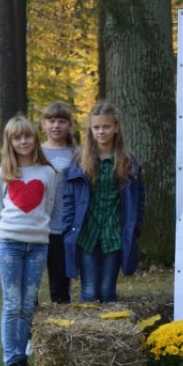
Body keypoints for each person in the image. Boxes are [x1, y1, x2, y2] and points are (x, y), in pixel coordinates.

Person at [0, 114, 56, 366]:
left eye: (28, 136)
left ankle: (24, 357)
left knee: (28, 304)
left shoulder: (47, 172)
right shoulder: (1, 174)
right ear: (10, 141)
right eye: (17, 137)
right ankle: (13, 360)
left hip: (38, 246)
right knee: (12, 303)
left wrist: (39, 233)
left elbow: (48, 207)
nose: (24, 141)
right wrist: (2, 241)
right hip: (10, 245)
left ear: (35, 138)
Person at [63, 101, 145, 302]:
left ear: (116, 127)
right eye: (96, 127)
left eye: (106, 127)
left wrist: (135, 228)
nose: (101, 132)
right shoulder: (78, 161)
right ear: (90, 130)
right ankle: (88, 332)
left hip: (114, 231)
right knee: (90, 290)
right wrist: (67, 227)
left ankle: (107, 333)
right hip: (87, 231)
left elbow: (139, 198)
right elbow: (68, 198)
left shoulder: (128, 162)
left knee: (107, 291)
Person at [41, 102, 75, 303]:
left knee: (60, 286)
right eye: (51, 121)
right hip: (37, 227)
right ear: (43, 125)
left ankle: (61, 330)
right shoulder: (34, 151)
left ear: (69, 125)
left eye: (61, 121)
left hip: (62, 228)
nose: (56, 126)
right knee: (30, 285)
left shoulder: (76, 153)